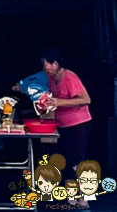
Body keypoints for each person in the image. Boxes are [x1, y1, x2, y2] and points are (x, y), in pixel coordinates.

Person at [40, 48, 92, 179]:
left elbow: (86, 99)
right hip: (62, 124)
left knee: (77, 159)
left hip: (78, 123)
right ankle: (72, 194)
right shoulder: (52, 79)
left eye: (45, 64)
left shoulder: (70, 77)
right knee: (66, 160)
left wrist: (59, 102)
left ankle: (84, 196)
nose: (44, 68)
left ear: (55, 64)